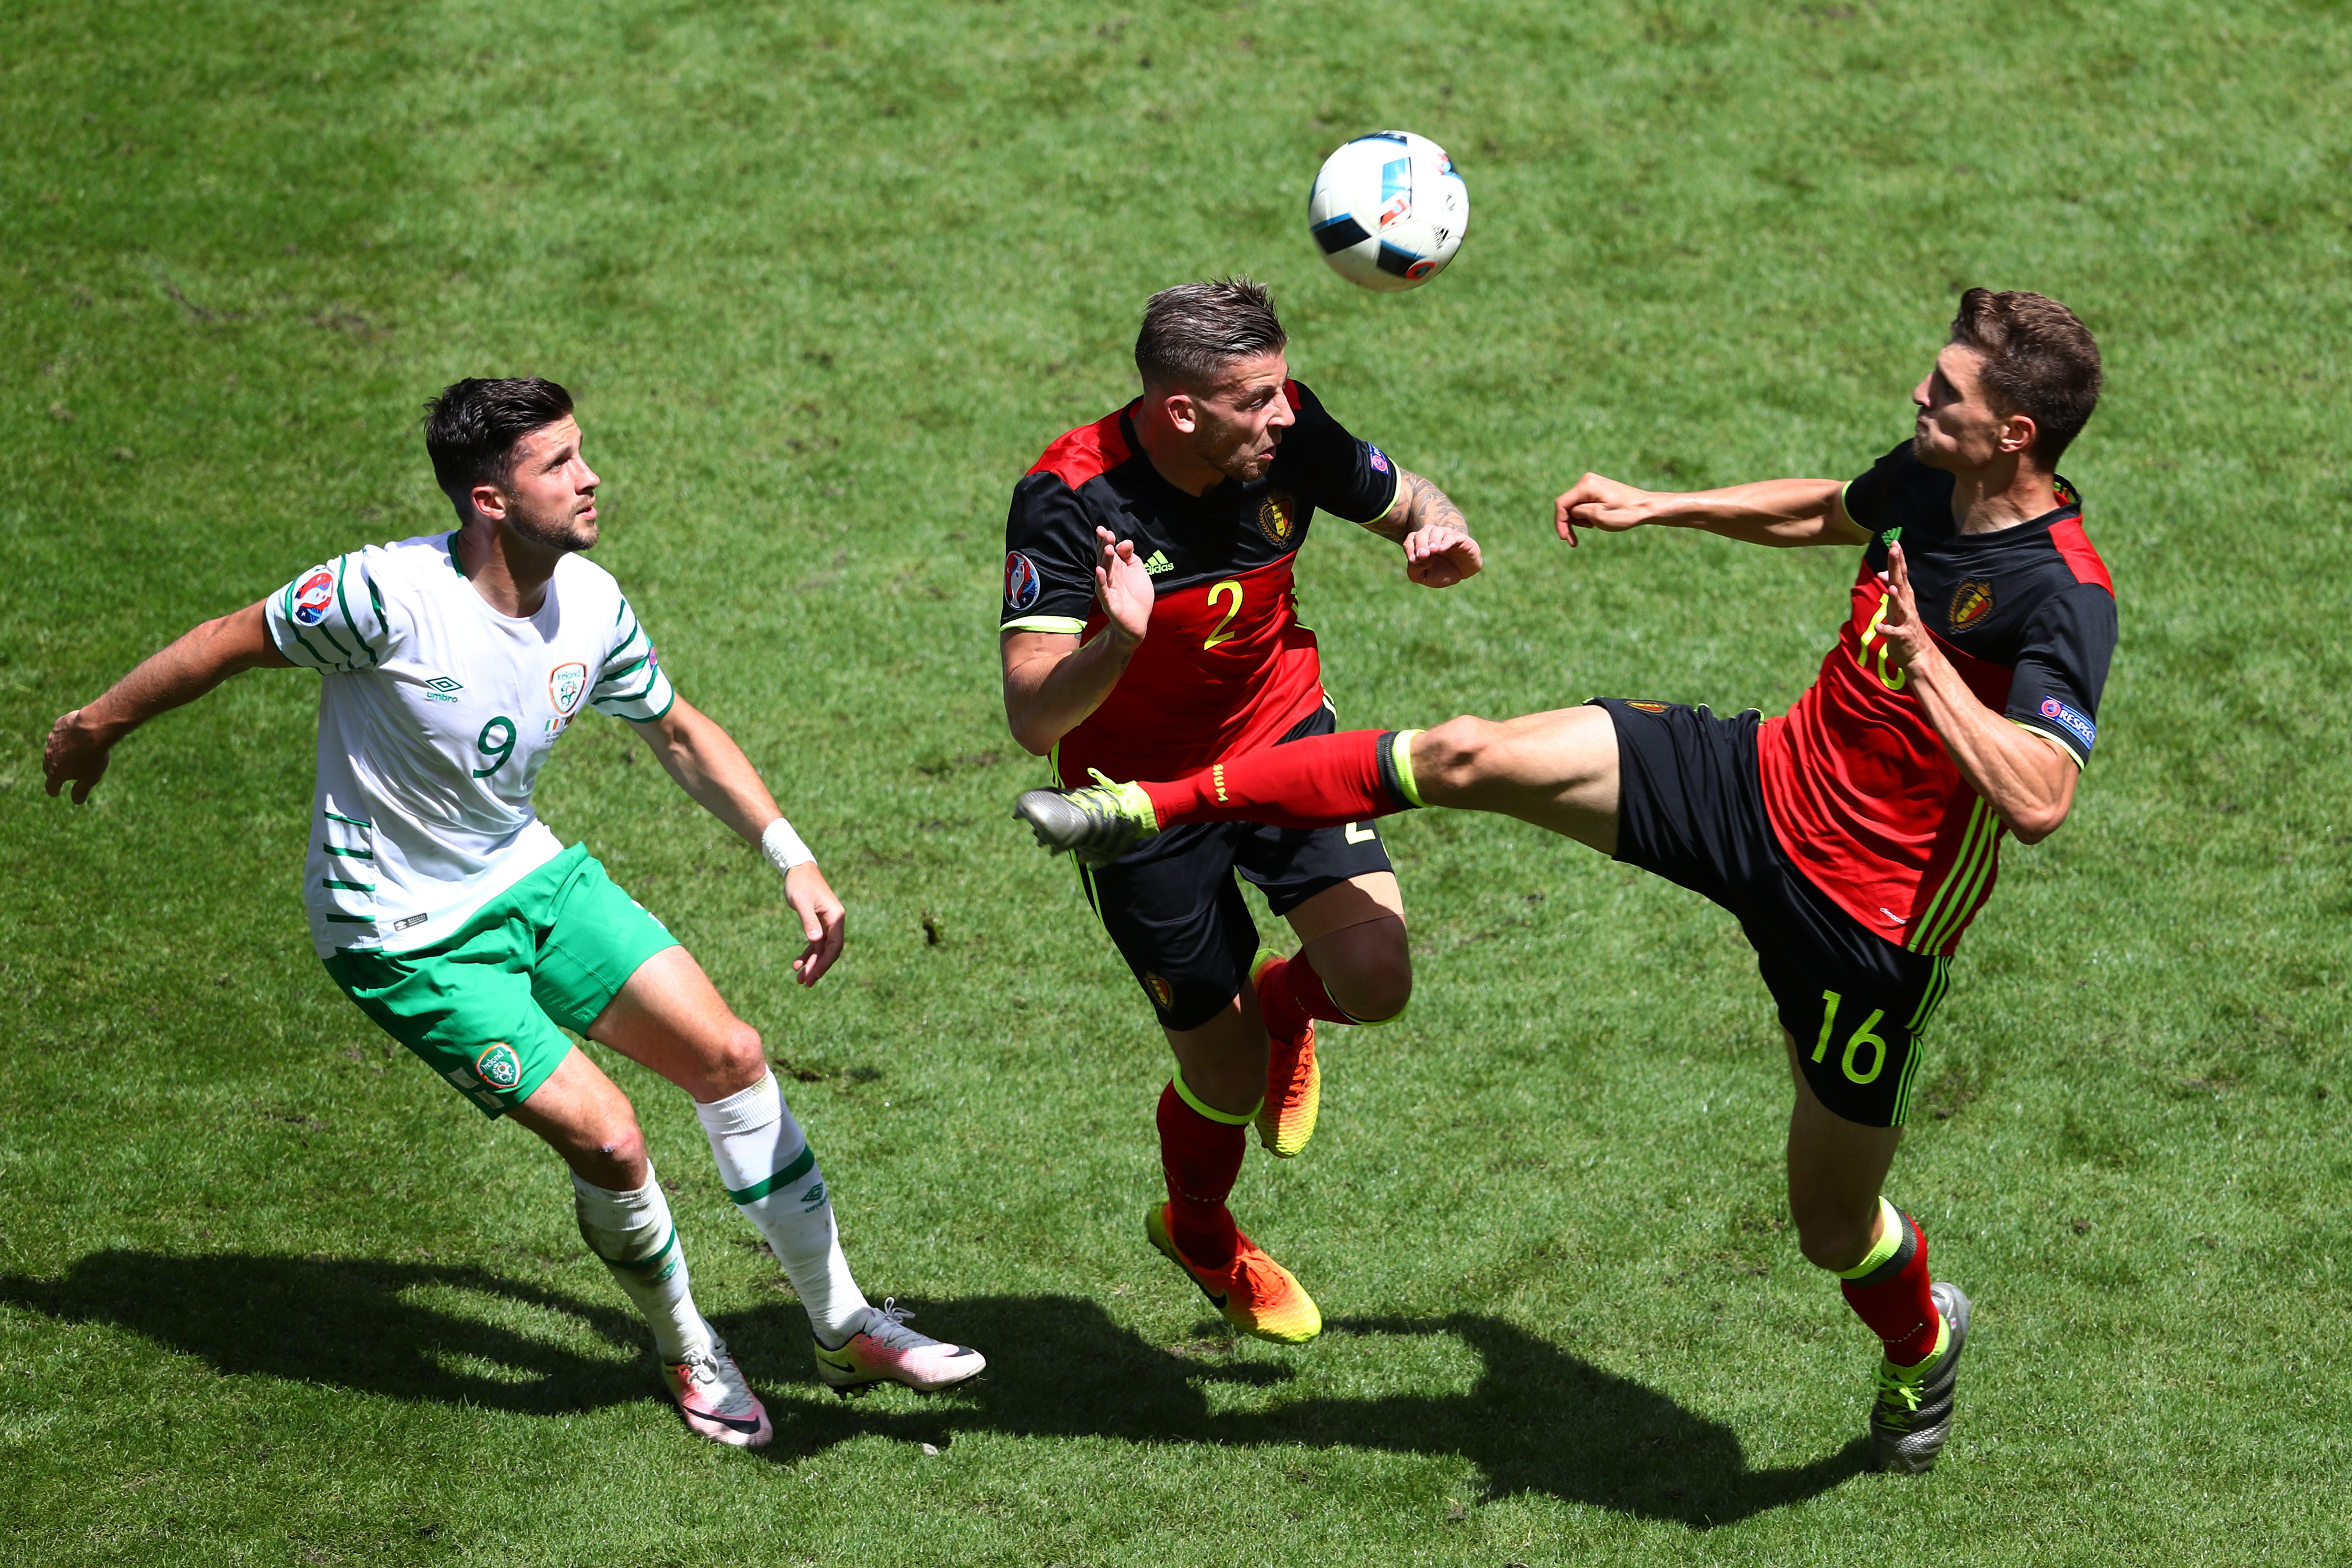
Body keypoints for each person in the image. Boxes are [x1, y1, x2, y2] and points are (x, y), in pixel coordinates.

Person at [1016, 289, 2113, 1471]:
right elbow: (1832, 510)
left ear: (2015, 435)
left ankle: (1918, 1347)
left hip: (1870, 917)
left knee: (1832, 1225)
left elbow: (2041, 799)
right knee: (1470, 752)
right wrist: (1663, 506)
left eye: (1945, 393)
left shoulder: (2065, 591)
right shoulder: (1931, 475)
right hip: (1756, 781)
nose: (1919, 398)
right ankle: (1138, 808)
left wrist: (1933, 670)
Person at [43, 377, 983, 1448]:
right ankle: (688, 1347)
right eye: (559, 466)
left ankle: (843, 1324)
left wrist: (791, 857)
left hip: (525, 875)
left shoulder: (590, 599)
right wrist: (97, 726)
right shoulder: (382, 598)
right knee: (615, 1141)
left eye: (582, 455)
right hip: (401, 934)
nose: (590, 480)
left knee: (730, 1053)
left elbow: (675, 729)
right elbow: (226, 637)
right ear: (489, 500)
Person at [1000, 279, 1483, 1344]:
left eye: (1279, 391)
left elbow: (1415, 498)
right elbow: (1033, 718)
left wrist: (1439, 536)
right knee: (1220, 1082)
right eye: (1254, 399)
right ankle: (1202, 1232)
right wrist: (1116, 643)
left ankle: (1286, 1005)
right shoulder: (1070, 501)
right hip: (1140, 807)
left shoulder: (1291, 434)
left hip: (1284, 740)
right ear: (1184, 411)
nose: (1283, 415)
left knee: (1377, 980)